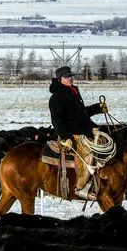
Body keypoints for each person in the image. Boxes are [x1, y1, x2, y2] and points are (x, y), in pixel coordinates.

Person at [48, 65, 108, 199]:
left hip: (85, 129)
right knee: (86, 153)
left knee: (106, 141)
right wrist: (66, 137)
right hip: (73, 133)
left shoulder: (73, 92)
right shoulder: (56, 98)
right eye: (66, 77)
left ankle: (99, 173)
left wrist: (97, 108)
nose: (70, 78)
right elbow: (57, 121)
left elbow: (81, 114)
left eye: (71, 76)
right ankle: (80, 187)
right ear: (59, 79)